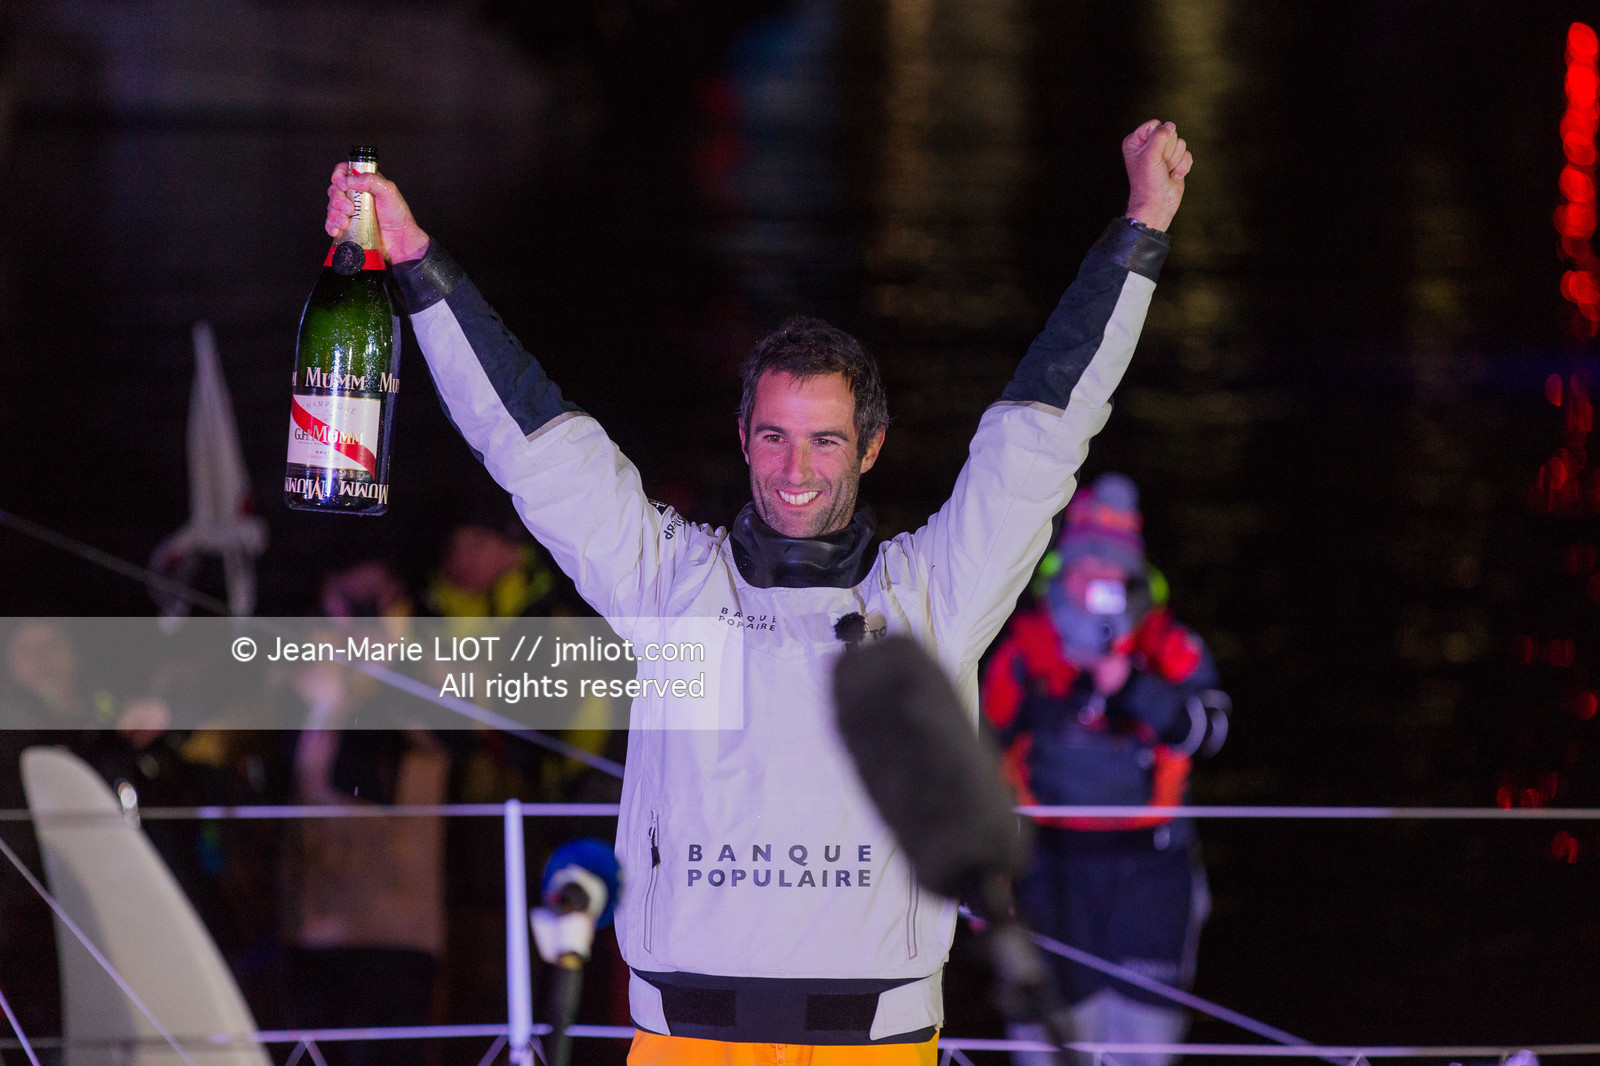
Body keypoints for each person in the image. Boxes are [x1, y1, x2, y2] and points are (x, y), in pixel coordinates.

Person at [324, 119, 1192, 1065]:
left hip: (875, 1042)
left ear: (869, 448)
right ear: (743, 439)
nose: (796, 468)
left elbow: (1044, 431)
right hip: (684, 1040)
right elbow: (531, 443)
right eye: (773, 435)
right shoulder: (668, 581)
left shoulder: (938, 590)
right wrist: (413, 260)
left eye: (825, 440)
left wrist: (1141, 228)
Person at [981, 473, 1230, 1066]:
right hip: (1051, 870)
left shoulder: (1166, 644)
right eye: (1084, 563)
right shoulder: (1024, 647)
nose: (1097, 579)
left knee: (1141, 1048)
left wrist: (1133, 686)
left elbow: (1211, 731)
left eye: (1111, 567)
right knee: (1049, 1043)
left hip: (1150, 874)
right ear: (1062, 568)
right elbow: (979, 753)